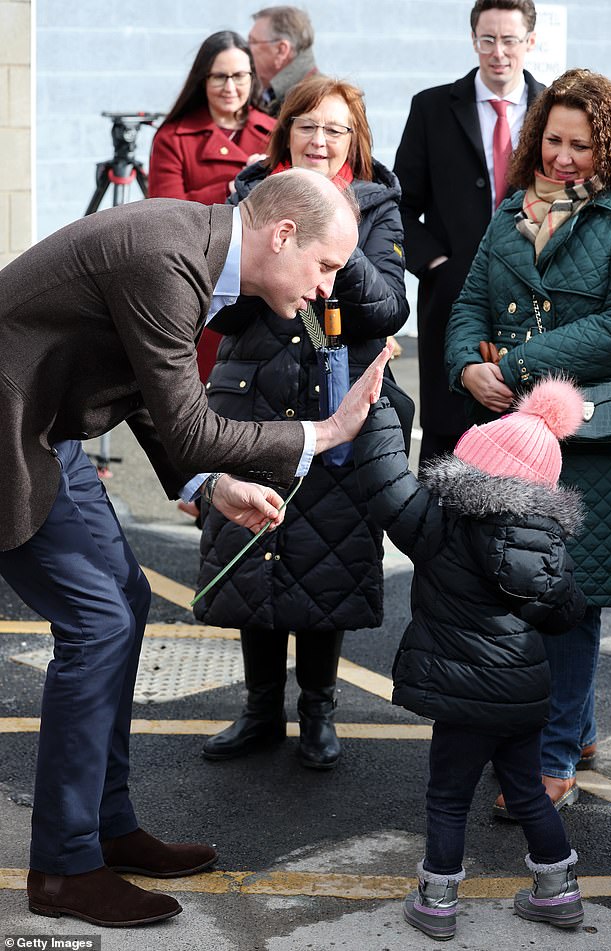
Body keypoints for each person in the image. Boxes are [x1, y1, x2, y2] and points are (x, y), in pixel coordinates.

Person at [0, 168, 393, 927]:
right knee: (98, 623)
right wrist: (327, 431)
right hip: (12, 432)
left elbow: (153, 395)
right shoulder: (168, 257)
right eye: (325, 266)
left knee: (127, 599)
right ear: (282, 235)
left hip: (47, 425)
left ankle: (106, 826)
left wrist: (211, 484)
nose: (326, 290)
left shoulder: (196, 255)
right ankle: (63, 867)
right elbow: (186, 424)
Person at [195, 75, 409, 770]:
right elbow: (221, 307)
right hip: (251, 399)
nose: (320, 140)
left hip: (337, 407)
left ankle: (318, 707)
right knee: (254, 556)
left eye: (336, 130)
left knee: (328, 559)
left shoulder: (376, 203)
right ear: (284, 130)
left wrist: (331, 236)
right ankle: (260, 708)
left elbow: (386, 311)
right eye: (307, 126)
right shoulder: (251, 194)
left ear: (356, 141)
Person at [445, 69, 611, 814]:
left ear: (608, 146)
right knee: (518, 590)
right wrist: (466, 364)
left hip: (593, 442)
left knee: (570, 601)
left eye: (581, 145)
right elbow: (467, 305)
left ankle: (554, 759)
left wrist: (514, 366)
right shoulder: (508, 214)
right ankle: (576, 727)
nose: (563, 157)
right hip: (512, 437)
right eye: (553, 140)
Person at [353, 378, 587, 941]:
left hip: (462, 697)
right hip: (524, 700)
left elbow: (389, 486)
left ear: (475, 466)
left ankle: (437, 899)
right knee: (528, 792)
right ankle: (559, 893)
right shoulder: (549, 548)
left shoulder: (443, 526)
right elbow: (566, 615)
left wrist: (382, 411)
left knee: (449, 797)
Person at [393, 0, 543, 462]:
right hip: (454, 294)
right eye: (488, 39)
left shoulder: (553, 108)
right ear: (474, 40)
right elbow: (399, 204)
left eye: (510, 40)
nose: (499, 52)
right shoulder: (433, 107)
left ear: (530, 42)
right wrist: (436, 265)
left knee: (528, 434)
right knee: (447, 433)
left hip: (536, 293)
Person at [148, 30, 275, 382]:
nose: (230, 86)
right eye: (219, 76)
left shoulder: (275, 131)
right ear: (202, 79)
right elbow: (165, 214)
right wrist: (233, 185)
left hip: (262, 277)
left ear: (252, 77)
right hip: (197, 275)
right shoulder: (172, 136)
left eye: (239, 76)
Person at [248, 6, 319, 117]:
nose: (245, 50)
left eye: (253, 42)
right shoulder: (273, 95)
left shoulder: (315, 101)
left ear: (281, 50)